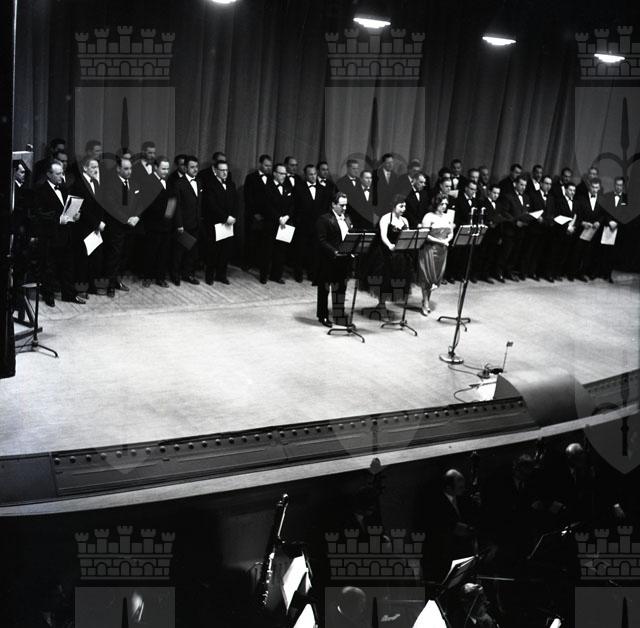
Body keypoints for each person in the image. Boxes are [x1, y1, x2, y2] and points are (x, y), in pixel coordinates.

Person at [33, 161, 84, 306]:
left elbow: (67, 207)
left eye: (62, 173)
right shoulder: (41, 190)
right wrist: (57, 219)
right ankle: (48, 295)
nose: (62, 176)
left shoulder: (63, 188)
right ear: (49, 174)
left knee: (68, 265)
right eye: (58, 174)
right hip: (50, 235)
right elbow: (39, 213)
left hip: (65, 234)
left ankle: (69, 294)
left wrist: (75, 215)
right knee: (49, 267)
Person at [100, 157, 142, 297]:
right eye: (126, 169)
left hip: (131, 227)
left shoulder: (135, 184)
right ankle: (110, 286)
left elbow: (140, 203)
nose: (129, 171)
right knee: (114, 256)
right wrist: (126, 219)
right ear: (118, 169)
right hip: (116, 227)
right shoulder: (110, 185)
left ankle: (118, 280)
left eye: (130, 168)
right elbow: (111, 205)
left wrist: (137, 216)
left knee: (125, 255)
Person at [363, 194, 411, 313]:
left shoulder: (405, 220)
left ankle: (383, 304)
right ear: (394, 206)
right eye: (401, 206)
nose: (404, 209)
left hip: (399, 254)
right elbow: (383, 235)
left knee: (396, 280)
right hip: (385, 253)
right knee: (384, 279)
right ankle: (381, 304)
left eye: (405, 206)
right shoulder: (386, 218)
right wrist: (390, 245)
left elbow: (407, 235)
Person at [316, 192, 353, 327]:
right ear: (333, 204)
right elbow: (321, 240)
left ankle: (338, 315)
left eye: (346, 205)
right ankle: (323, 316)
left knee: (341, 288)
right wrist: (334, 251)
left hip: (343, 260)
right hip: (328, 260)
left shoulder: (347, 218)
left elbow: (350, 235)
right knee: (324, 289)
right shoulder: (324, 219)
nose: (344, 208)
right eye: (342, 205)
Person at [70, 157, 105, 296]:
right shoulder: (78, 185)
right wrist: (96, 223)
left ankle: (91, 286)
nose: (96, 170)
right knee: (83, 259)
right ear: (85, 168)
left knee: (94, 258)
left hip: (95, 228)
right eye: (93, 167)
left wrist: (101, 221)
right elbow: (82, 209)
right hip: (83, 228)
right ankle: (81, 289)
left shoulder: (96, 183)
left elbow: (101, 205)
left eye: (97, 167)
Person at [199, 159, 237, 284]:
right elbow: (211, 205)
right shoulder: (210, 185)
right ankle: (209, 276)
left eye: (226, 170)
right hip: (215, 223)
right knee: (213, 251)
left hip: (229, 224)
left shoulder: (231, 184)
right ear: (215, 171)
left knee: (226, 251)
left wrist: (233, 216)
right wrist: (225, 217)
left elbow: (235, 203)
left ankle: (221, 275)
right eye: (222, 170)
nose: (225, 173)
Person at [140, 157, 174, 287]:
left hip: (166, 225)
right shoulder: (147, 182)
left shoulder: (169, 182)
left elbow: (173, 200)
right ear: (155, 167)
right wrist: (162, 215)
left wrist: (168, 216)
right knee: (150, 252)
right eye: (163, 169)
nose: (166, 171)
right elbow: (146, 204)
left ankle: (160, 277)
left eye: (167, 169)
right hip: (152, 224)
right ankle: (147, 277)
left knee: (163, 253)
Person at [418, 194, 453, 316]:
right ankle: (425, 302)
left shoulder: (447, 216)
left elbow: (451, 232)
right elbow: (425, 234)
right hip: (430, 249)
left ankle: (426, 300)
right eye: (441, 204)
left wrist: (447, 240)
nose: (444, 206)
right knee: (427, 277)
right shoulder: (428, 216)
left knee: (436, 278)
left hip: (442, 250)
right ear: (436, 203)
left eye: (445, 204)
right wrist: (440, 241)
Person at [293, 164, 329, 283]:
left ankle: (312, 274)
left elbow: (325, 208)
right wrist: (298, 222)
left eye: (314, 174)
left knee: (314, 251)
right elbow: (294, 207)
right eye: (310, 174)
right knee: (300, 251)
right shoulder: (298, 188)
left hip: (317, 226)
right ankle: (298, 274)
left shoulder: (323, 189)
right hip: (302, 225)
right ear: (305, 175)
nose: (313, 176)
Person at [260, 163, 294, 284]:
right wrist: (279, 218)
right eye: (281, 173)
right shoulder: (267, 187)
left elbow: (293, 204)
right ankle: (263, 275)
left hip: (285, 224)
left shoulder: (288, 187)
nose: (284, 176)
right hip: (271, 223)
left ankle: (276, 275)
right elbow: (266, 206)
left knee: (281, 251)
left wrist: (287, 216)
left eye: (285, 173)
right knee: (267, 251)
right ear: (274, 173)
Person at [172, 156, 201, 285]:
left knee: (192, 252)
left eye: (196, 167)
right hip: (183, 224)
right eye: (192, 167)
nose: (195, 169)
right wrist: (179, 224)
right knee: (179, 252)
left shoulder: (199, 182)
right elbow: (176, 206)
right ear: (185, 168)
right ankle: (175, 275)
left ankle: (187, 274)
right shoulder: (178, 183)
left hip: (196, 223)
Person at [243, 154, 272, 271]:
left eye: (270, 166)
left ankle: (260, 264)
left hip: (267, 216)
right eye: (266, 165)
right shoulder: (251, 177)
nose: (268, 168)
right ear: (260, 164)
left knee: (263, 242)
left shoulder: (272, 178)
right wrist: (255, 213)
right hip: (253, 215)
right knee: (251, 240)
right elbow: (248, 197)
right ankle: (247, 263)